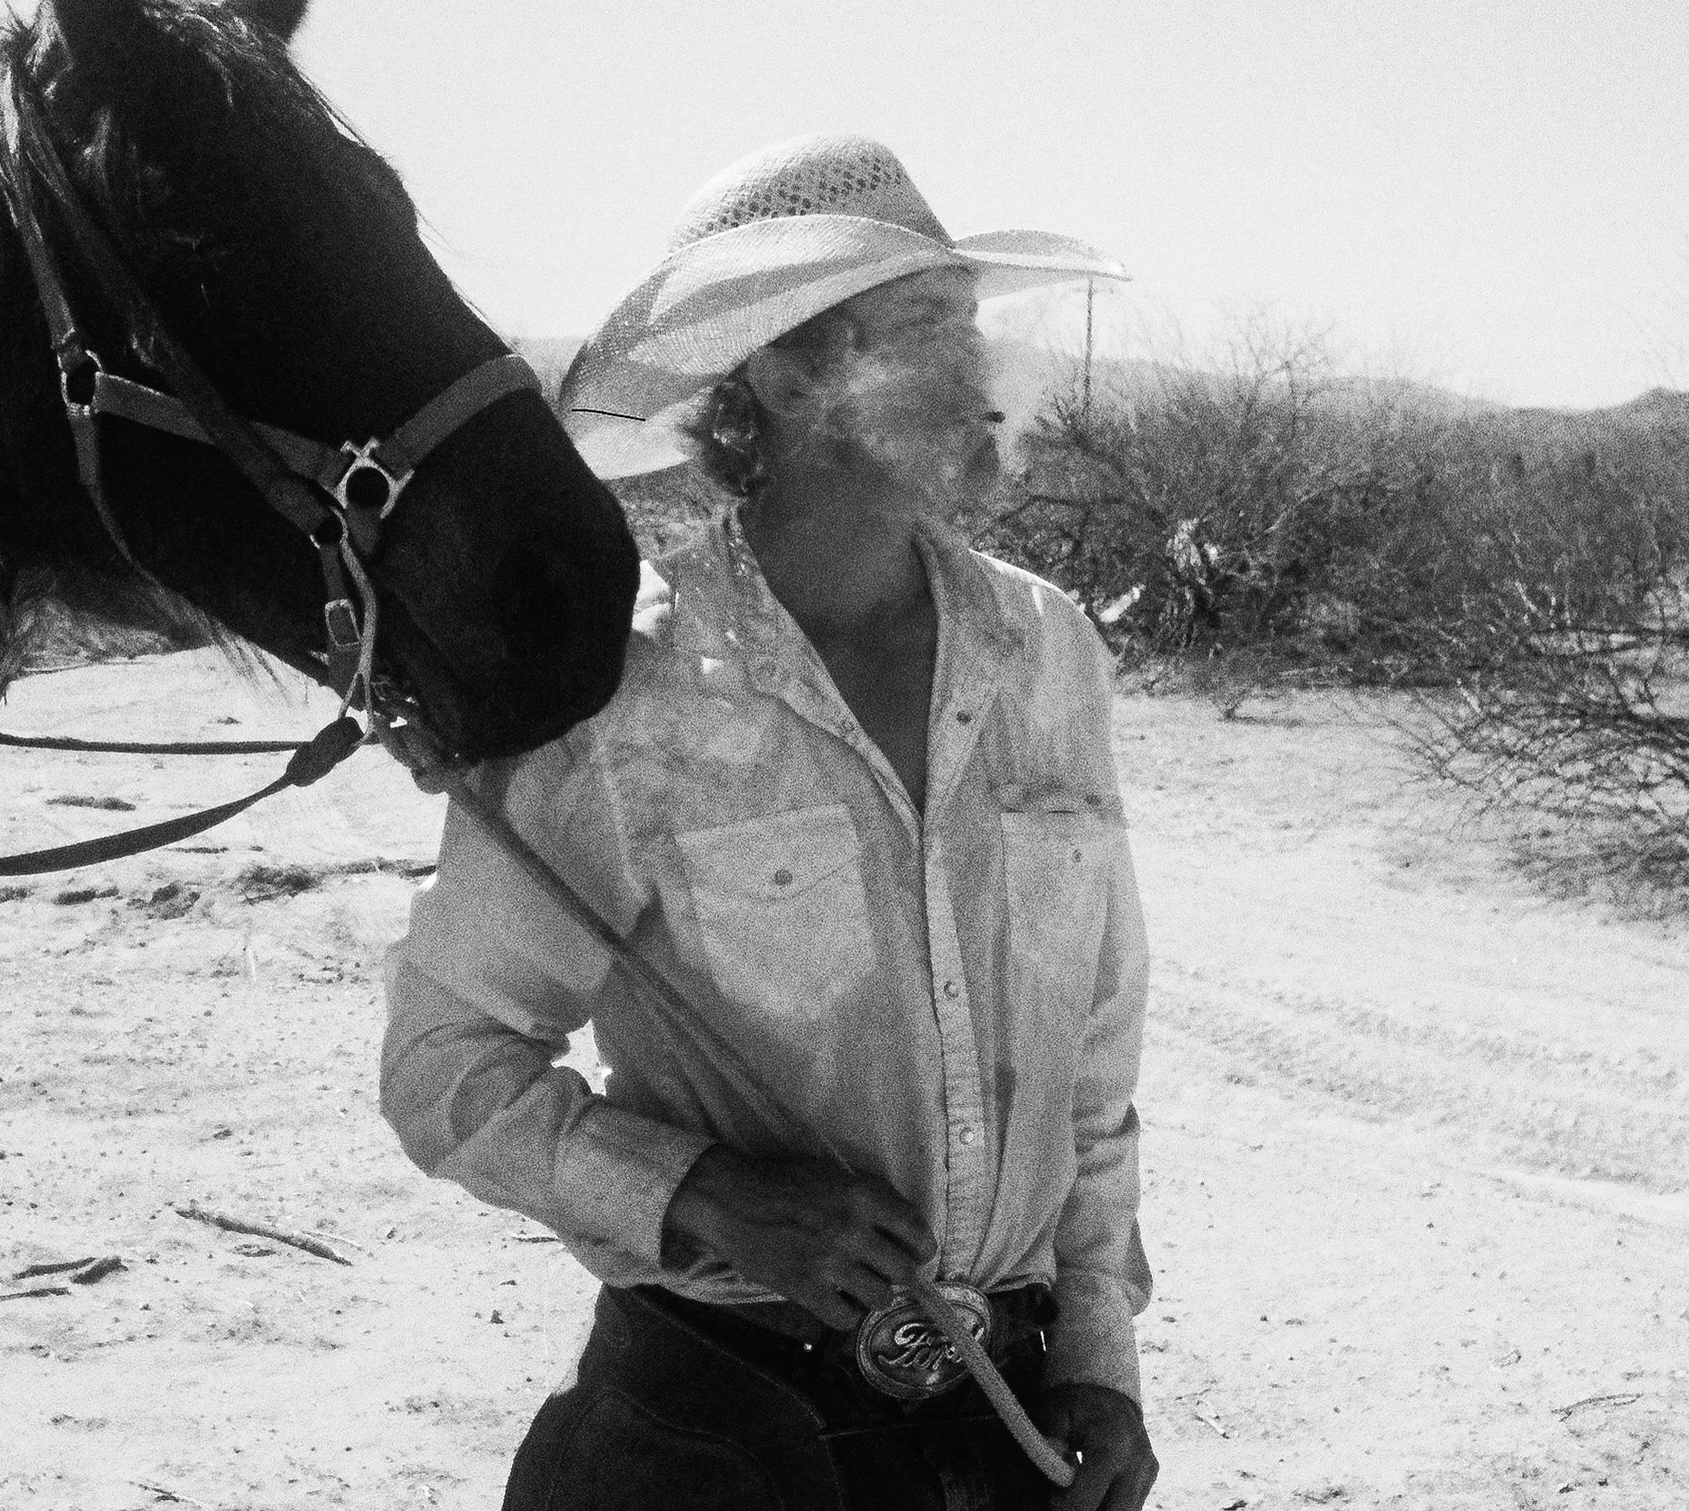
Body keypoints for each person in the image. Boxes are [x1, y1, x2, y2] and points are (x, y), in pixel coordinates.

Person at [379, 136, 1156, 1511]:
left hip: (1007, 1436)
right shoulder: (617, 698)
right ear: (791, 375)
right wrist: (699, 1196)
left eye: (974, 325)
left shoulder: (1049, 654)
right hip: (714, 1443)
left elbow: (1094, 1064)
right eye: (931, 330)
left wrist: (1097, 1352)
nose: (986, 379)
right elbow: (446, 1066)